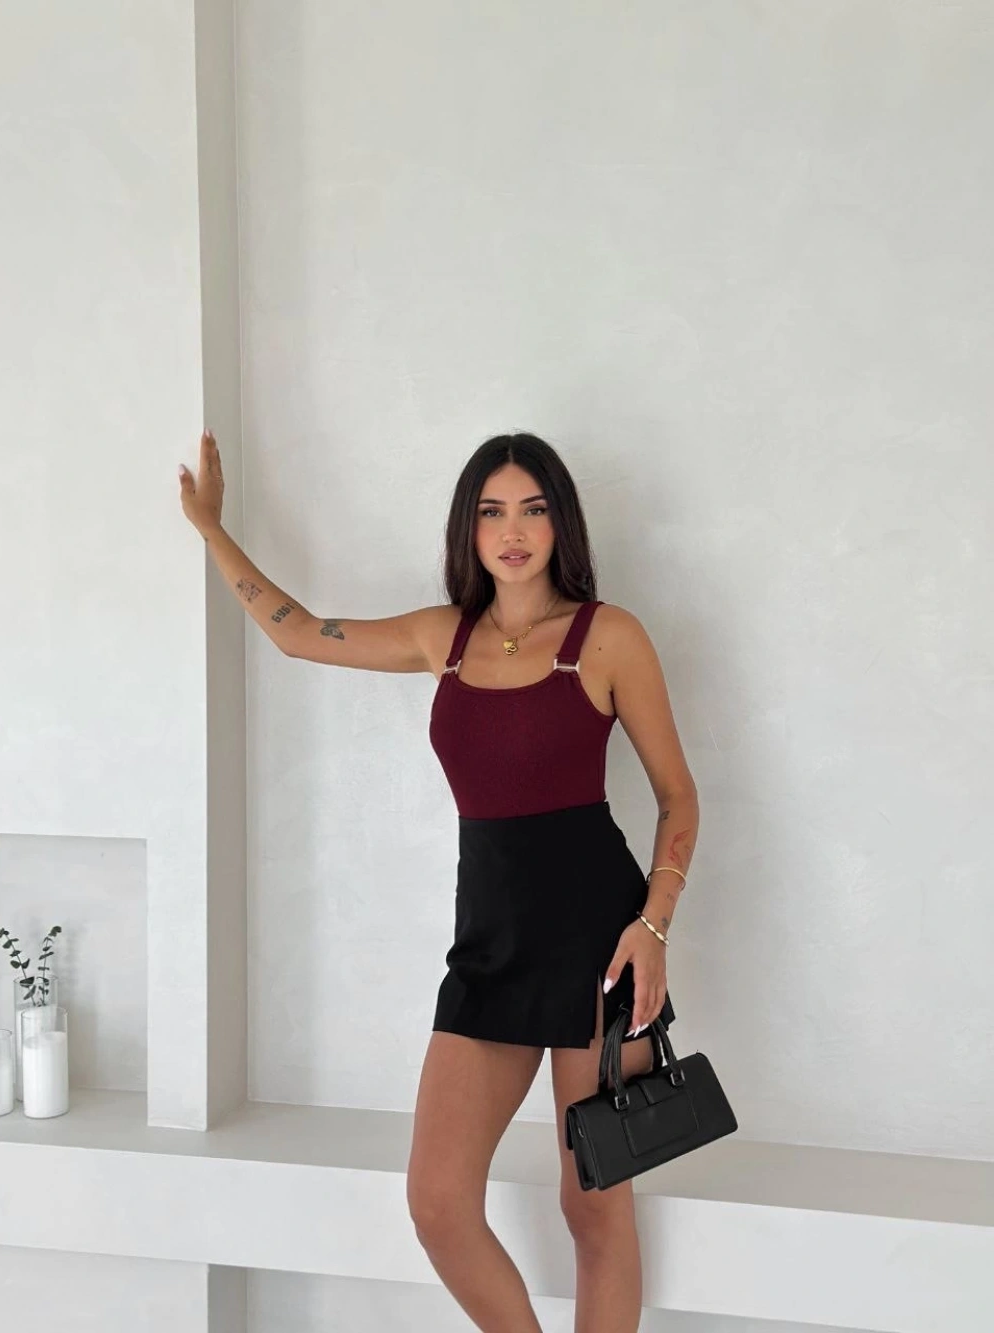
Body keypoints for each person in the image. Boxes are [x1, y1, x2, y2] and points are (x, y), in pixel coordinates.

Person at [179, 428, 699, 1333]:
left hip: (602, 946)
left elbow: (677, 796)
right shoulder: (442, 637)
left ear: (561, 523)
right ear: (469, 527)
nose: (513, 531)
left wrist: (652, 927)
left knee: (593, 1205)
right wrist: (212, 529)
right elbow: (297, 634)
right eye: (492, 511)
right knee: (437, 1201)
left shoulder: (608, 637)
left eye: (532, 509)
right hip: (489, 951)